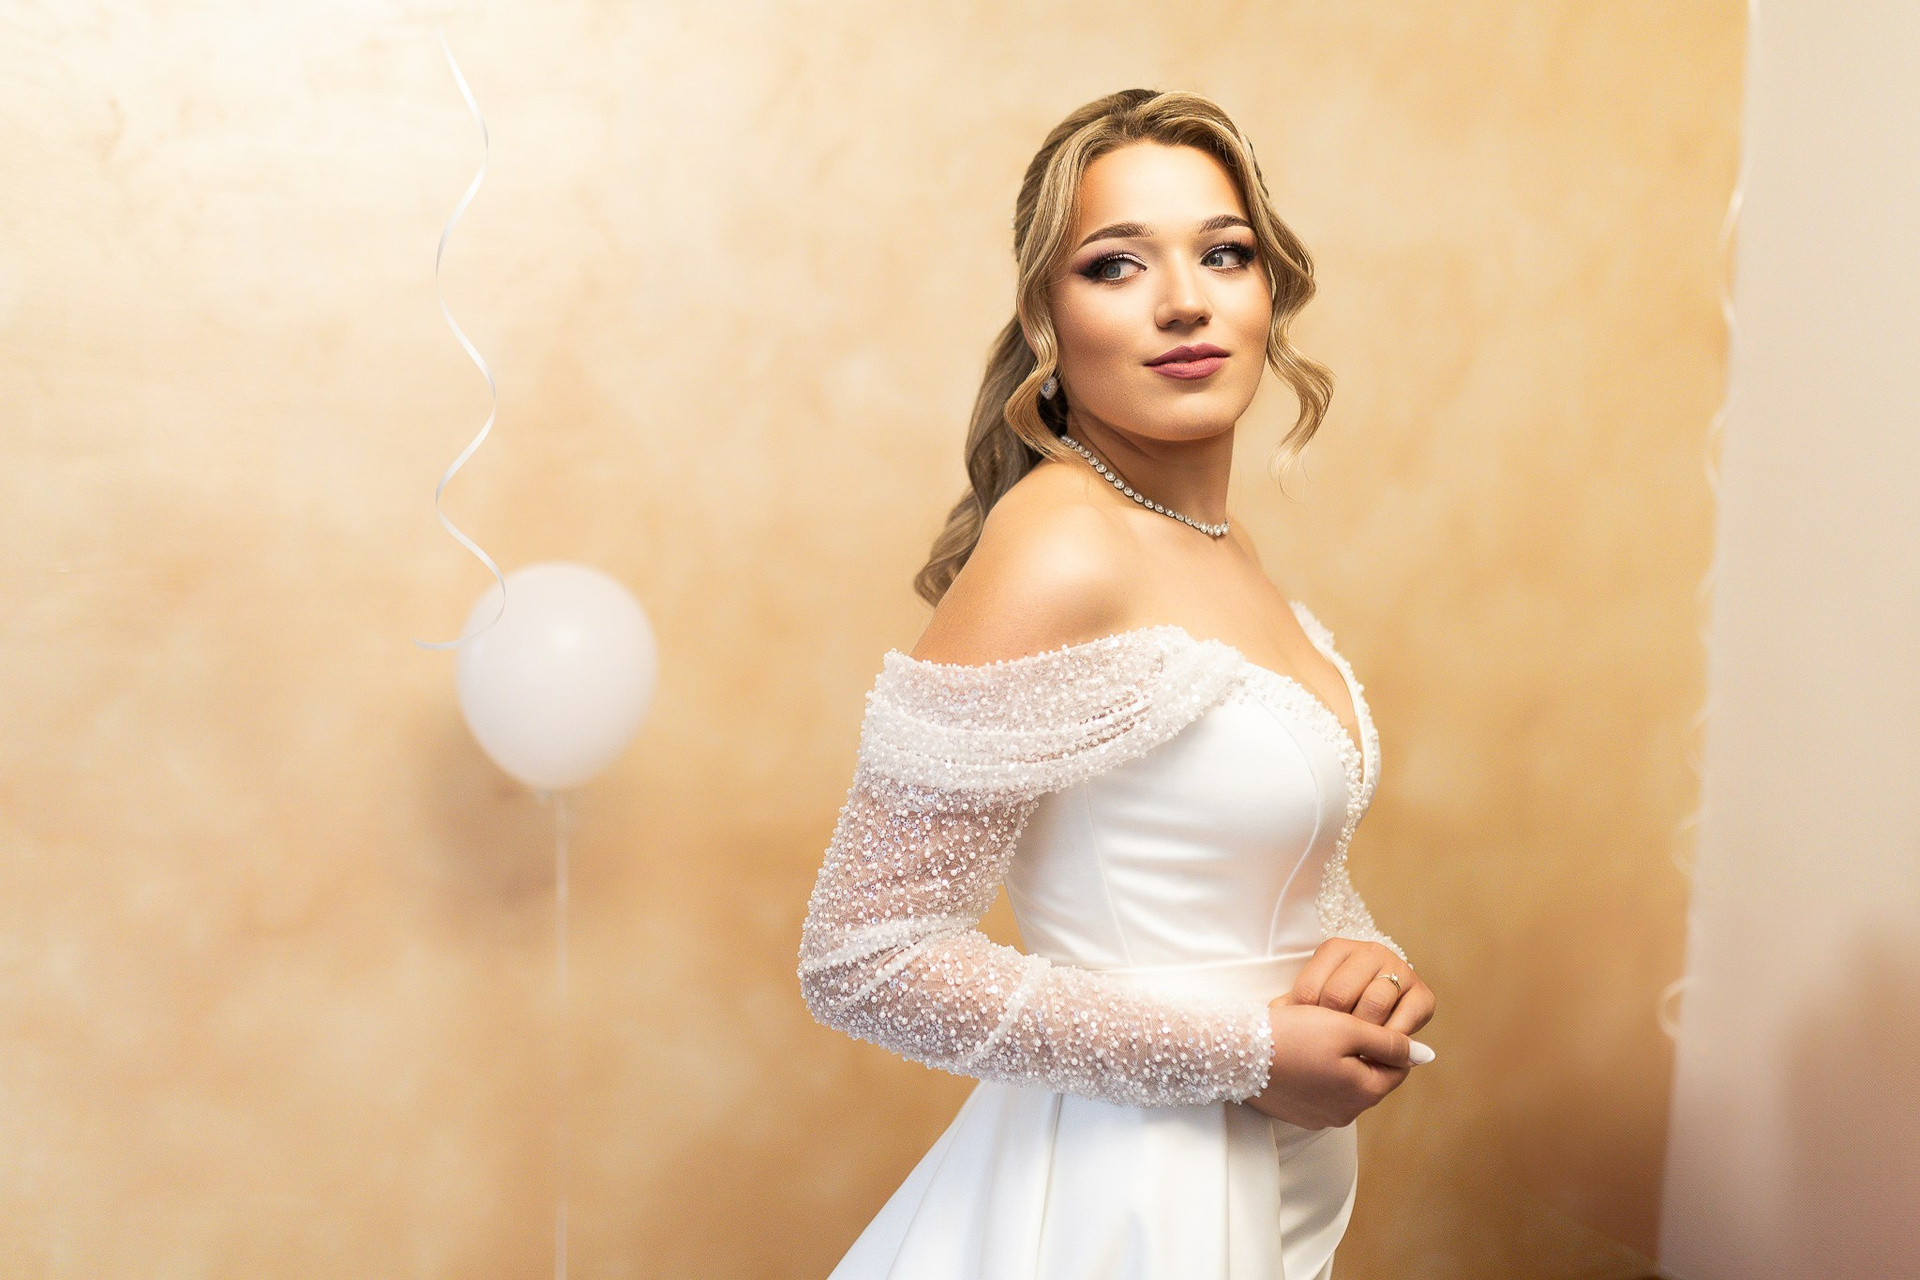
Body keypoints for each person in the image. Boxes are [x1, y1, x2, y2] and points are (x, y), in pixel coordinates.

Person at [796, 87, 1438, 1279]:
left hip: (1257, 1178)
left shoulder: (1219, 547)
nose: (1184, 299)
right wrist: (1247, 1053)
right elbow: (865, 951)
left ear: (1270, 289)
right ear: (1046, 314)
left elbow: (1225, 865)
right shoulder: (1062, 543)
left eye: (1224, 252)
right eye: (1115, 264)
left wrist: (1363, 962)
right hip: (1119, 1203)